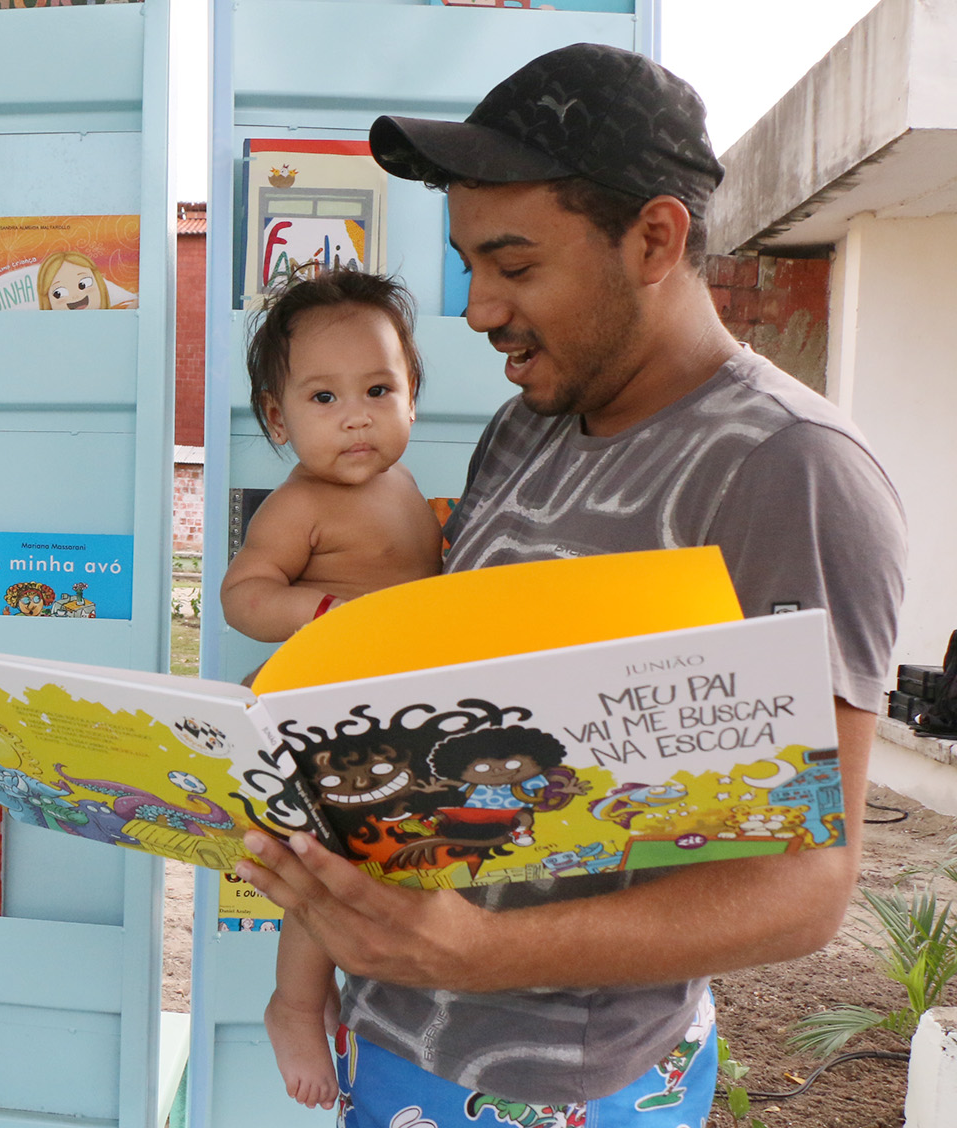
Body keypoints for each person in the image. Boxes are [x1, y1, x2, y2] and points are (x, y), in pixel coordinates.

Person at [233, 42, 908, 1126]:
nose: (476, 311)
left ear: (653, 238)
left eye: (515, 264)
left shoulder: (790, 471)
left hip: (574, 1087)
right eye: (468, 266)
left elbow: (805, 887)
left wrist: (483, 950)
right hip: (395, 1035)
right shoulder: (524, 428)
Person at [218, 268, 444, 1107]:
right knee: (321, 869)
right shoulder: (299, 504)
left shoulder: (405, 486)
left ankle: (375, 999)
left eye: (378, 389)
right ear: (278, 419)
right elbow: (242, 594)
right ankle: (295, 1004)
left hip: (388, 712)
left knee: (388, 864)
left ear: (411, 397)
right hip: (321, 715)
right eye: (322, 398)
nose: (355, 416)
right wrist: (317, 609)